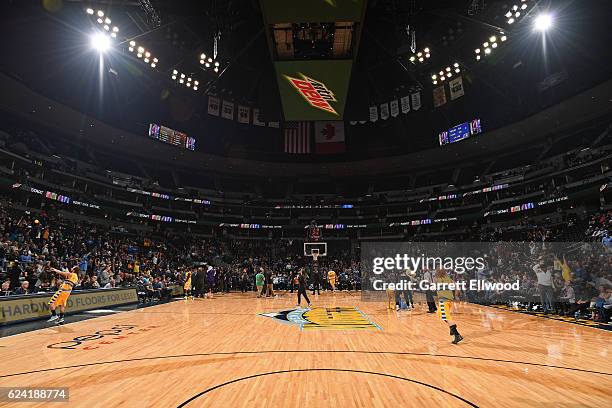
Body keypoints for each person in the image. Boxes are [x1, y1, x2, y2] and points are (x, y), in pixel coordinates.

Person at [435, 269, 463, 344]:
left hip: (444, 301)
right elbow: (457, 286)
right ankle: (452, 327)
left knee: (447, 317)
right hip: (448, 301)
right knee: (440, 313)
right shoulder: (448, 279)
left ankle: (457, 335)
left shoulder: (438, 280)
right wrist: (456, 295)